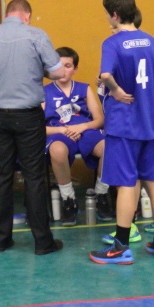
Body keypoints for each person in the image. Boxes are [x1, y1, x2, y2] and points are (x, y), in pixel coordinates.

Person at [0, 0, 65, 255]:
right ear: (27, 15)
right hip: (29, 115)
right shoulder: (36, 35)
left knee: (1, 175)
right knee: (34, 176)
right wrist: (35, 69)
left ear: (7, 14)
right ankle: (42, 241)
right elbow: (58, 72)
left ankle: (0, 239)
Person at [89, 0, 154, 264]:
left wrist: (115, 90)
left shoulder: (112, 43)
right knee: (153, 180)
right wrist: (152, 113)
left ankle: (121, 246)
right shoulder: (153, 42)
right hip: (148, 123)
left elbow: (105, 75)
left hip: (124, 124)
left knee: (126, 183)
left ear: (114, 14)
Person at [43, 47, 105, 226]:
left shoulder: (84, 89)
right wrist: (62, 131)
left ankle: (101, 193)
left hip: (85, 130)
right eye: (59, 66)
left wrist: (82, 126)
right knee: (57, 150)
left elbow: (100, 120)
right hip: (58, 132)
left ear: (75, 69)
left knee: (109, 147)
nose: (63, 70)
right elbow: (37, 127)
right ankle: (68, 199)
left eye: (68, 66)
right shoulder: (43, 92)